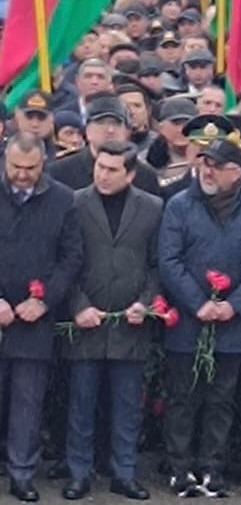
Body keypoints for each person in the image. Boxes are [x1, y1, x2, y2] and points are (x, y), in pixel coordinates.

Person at [158, 135, 241, 497]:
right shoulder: (179, 205)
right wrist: (198, 303)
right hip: (188, 320)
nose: (207, 170)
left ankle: (212, 468)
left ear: (236, 172)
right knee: (183, 397)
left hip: (231, 323)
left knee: (222, 399)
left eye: (217, 165)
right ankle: (180, 468)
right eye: (205, 162)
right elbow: (169, 260)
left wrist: (234, 304)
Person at [62, 141, 163, 501]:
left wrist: (145, 303)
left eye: (112, 170)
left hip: (129, 323)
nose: (103, 175)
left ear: (130, 174)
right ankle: (78, 473)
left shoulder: (152, 208)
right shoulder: (74, 203)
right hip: (86, 320)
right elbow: (65, 262)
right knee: (81, 402)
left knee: (127, 405)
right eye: (99, 167)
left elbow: (157, 265)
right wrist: (78, 306)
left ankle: (124, 473)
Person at [0, 133, 83, 502]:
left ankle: (21, 473)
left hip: (35, 319)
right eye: (15, 167)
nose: (22, 174)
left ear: (43, 163)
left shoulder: (63, 199)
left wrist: (45, 300)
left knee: (28, 400)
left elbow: (71, 258)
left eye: (30, 168)